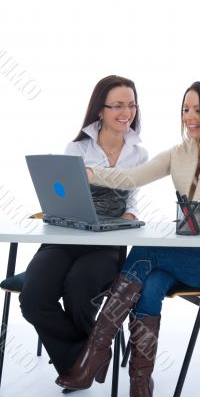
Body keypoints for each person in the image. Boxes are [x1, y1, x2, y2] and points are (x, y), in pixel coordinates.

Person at [56, 80, 200, 396]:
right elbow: (131, 177)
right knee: (150, 283)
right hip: (175, 254)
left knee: (145, 250)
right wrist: (90, 173)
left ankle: (93, 354)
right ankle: (140, 383)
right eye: (185, 109)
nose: (189, 116)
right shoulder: (178, 154)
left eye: (199, 109)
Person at [19, 75, 148, 386]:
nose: (125, 112)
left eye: (131, 105)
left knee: (79, 289)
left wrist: (128, 216)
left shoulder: (139, 154)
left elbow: (132, 203)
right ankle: (84, 359)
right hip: (66, 240)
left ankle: (81, 367)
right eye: (117, 105)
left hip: (107, 245)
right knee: (34, 298)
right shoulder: (77, 147)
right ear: (100, 110)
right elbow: (62, 198)